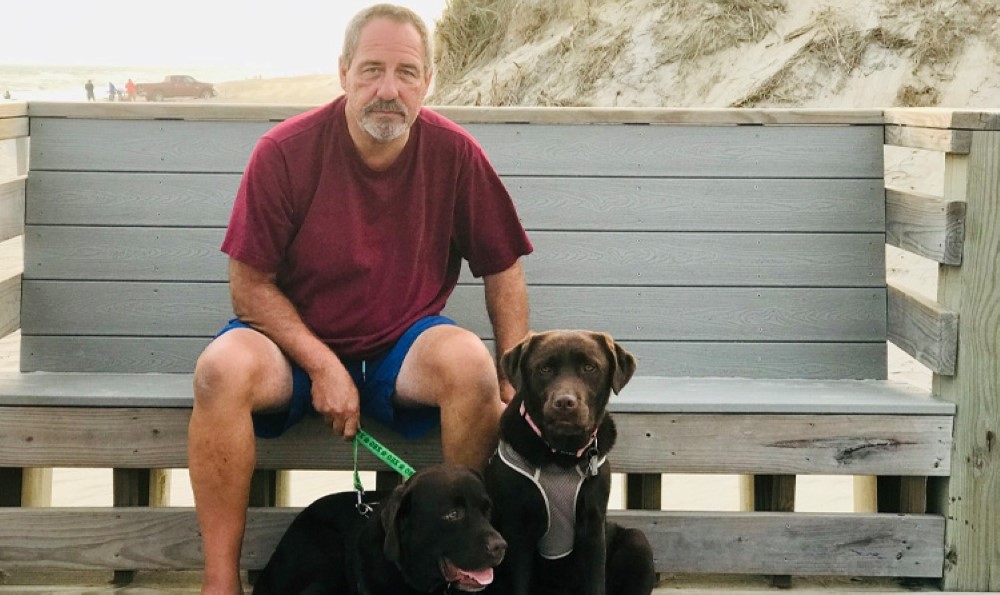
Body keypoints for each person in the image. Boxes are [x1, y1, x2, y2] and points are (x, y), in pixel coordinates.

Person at [187, 4, 533, 594]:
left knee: (472, 365)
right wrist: (321, 364)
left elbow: (502, 269)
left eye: (406, 72)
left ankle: (467, 573)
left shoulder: (456, 154)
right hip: (290, 348)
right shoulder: (284, 152)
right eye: (372, 69)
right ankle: (219, 583)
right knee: (219, 370)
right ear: (344, 72)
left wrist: (514, 377)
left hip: (403, 348)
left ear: (427, 81)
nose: (388, 90)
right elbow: (248, 286)